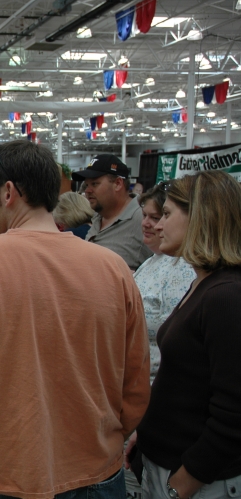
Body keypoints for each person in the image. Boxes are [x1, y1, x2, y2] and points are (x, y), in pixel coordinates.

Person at [0, 140, 150, 499]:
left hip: (17, 474)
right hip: (101, 469)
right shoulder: (113, 267)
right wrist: (107, 439)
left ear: (8, 192)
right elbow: (136, 380)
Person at [129, 171, 241, 499]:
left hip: (197, 479)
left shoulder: (225, 295)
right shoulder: (203, 284)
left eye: (165, 214)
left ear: (201, 217)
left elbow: (234, 411)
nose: (157, 225)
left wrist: (185, 482)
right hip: (167, 461)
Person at [131, 183, 194, 384]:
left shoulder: (184, 267)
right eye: (144, 215)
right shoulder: (151, 261)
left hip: (157, 385)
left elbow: (178, 340)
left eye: (158, 216)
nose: (148, 224)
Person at [74, 155, 153, 270]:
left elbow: (164, 265)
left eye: (94, 184)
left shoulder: (142, 218)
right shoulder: (98, 216)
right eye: (87, 185)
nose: (87, 190)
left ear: (118, 184)